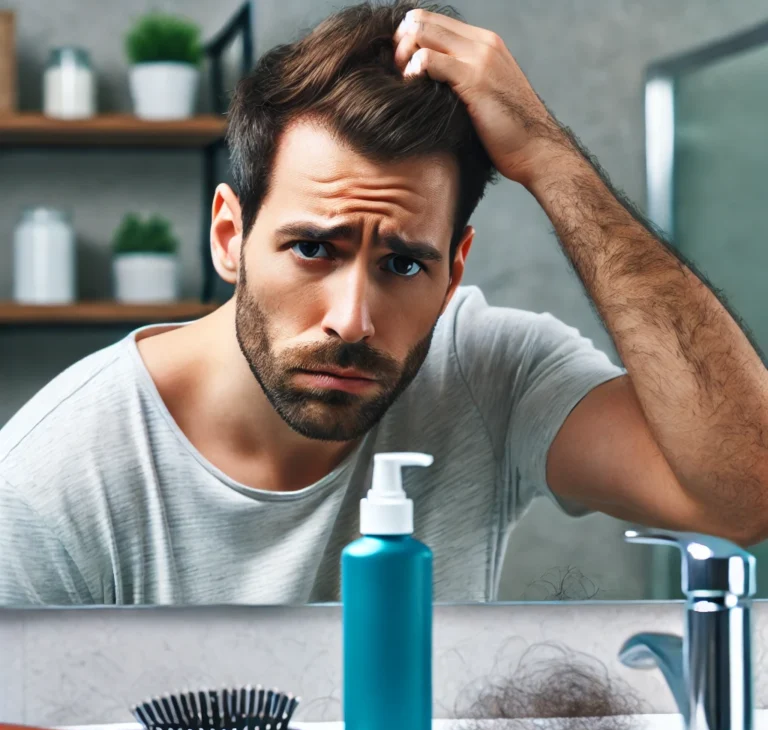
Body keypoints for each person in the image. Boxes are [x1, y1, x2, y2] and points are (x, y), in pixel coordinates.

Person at [1, 1, 766, 605]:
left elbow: (745, 494)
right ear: (230, 235)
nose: (354, 319)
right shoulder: (58, 477)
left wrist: (549, 157)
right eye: (313, 249)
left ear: (454, 270)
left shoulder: (489, 371)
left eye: (402, 263)